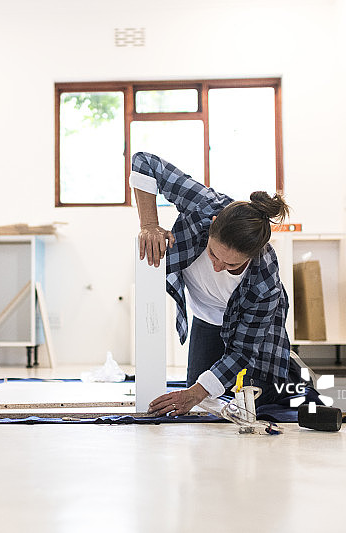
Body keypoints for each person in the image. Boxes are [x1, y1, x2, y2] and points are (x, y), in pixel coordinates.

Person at [129, 151, 313, 417]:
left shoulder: (265, 280)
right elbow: (144, 162)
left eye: (231, 265)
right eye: (213, 254)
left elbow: (242, 351)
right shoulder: (204, 206)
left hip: (249, 328)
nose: (217, 266)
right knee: (200, 399)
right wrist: (149, 225)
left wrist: (195, 392)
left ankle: (290, 371)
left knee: (256, 399)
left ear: (253, 255)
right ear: (212, 225)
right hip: (207, 316)